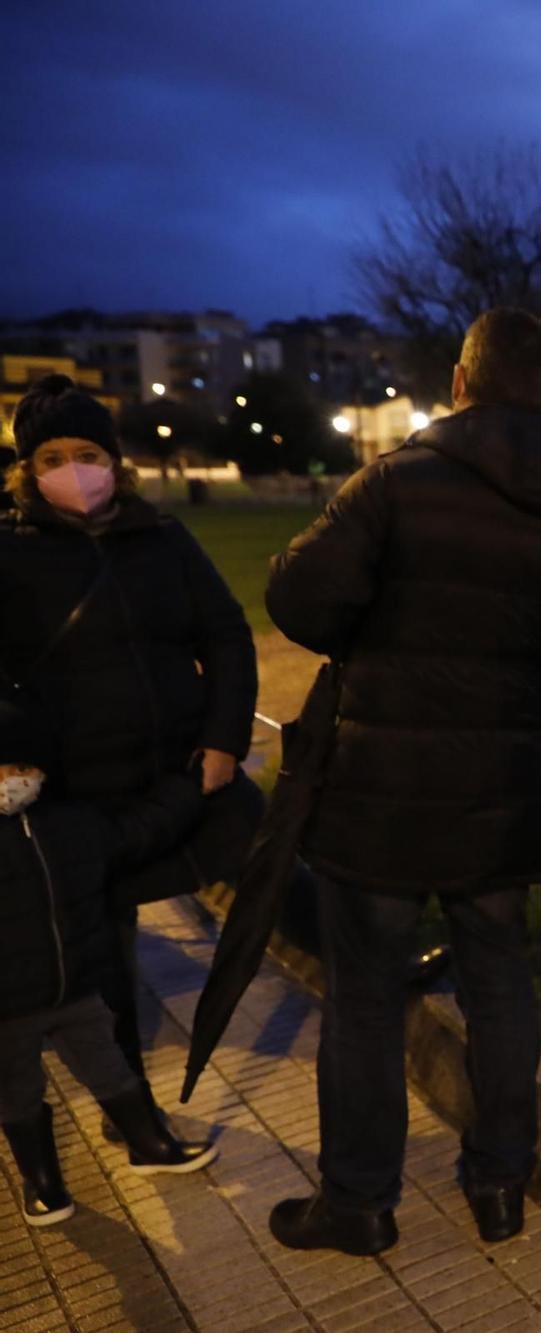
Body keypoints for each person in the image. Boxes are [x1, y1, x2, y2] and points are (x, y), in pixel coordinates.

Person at [263, 307, 541, 1257]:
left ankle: (360, 1200)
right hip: (499, 797)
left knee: (366, 999)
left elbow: (300, 598)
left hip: (378, 794)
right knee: (502, 987)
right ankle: (502, 1182)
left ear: (463, 382)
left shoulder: (394, 482)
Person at [0, 375, 261, 1089]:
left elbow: (227, 632)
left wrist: (225, 738)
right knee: (102, 947)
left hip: (186, 765)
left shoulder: (162, 536)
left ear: (116, 460)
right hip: (82, 794)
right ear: (27, 469)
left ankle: (370, 967)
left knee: (269, 859)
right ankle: (127, 1101)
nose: (72, 471)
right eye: (51, 458)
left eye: (86, 452)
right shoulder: (12, 551)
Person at [1, 700, 219, 1227]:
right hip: (6, 1006)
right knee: (18, 1092)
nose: (16, 780)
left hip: (77, 987)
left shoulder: (67, 823)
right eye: (7, 770)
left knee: (110, 1066)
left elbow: (141, 829)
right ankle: (45, 1183)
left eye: (23, 768)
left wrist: (186, 785)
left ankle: (147, 1143)